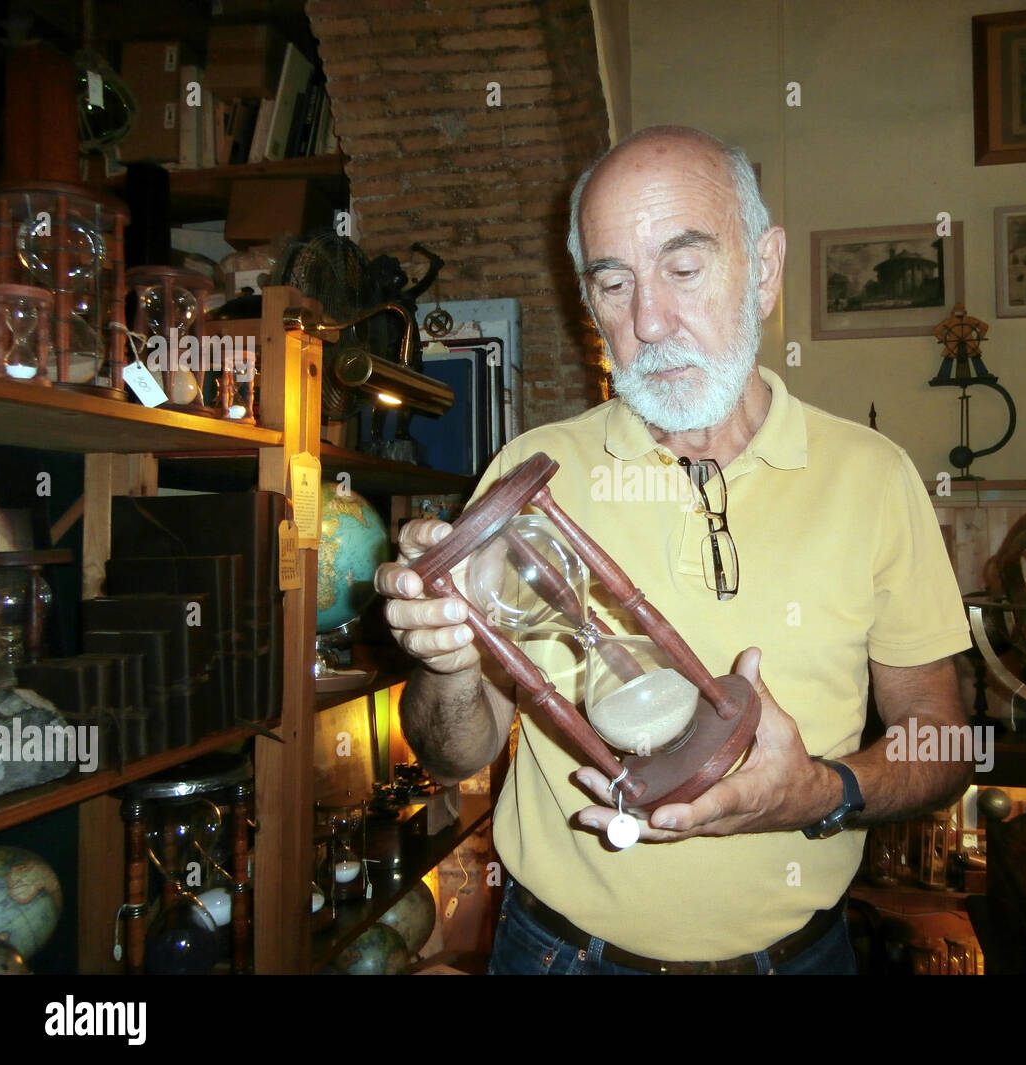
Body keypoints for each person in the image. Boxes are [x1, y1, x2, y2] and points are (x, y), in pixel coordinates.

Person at [376, 125, 972, 974]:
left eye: (683, 269)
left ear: (764, 271)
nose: (649, 319)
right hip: (558, 954)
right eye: (613, 283)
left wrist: (822, 793)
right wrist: (445, 666)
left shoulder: (874, 476)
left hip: (800, 958)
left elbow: (942, 741)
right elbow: (452, 753)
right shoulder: (529, 471)